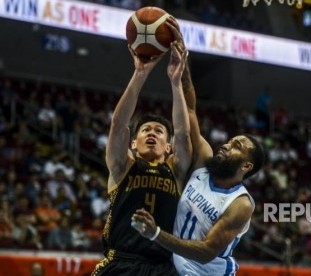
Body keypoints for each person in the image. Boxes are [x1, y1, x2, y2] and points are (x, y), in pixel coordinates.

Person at [131, 20, 266, 275]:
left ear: (246, 166)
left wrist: (157, 234)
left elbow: (205, 251)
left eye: (236, 146)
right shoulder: (204, 161)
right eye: (229, 141)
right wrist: (182, 66)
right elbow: (191, 109)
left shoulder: (240, 204)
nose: (226, 145)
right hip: (173, 267)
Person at [91, 25, 192, 275]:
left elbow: (183, 133)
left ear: (168, 146)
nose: (151, 133)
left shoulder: (175, 169)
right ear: (133, 143)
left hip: (163, 266)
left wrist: (176, 82)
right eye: (145, 130)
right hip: (121, 262)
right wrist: (140, 73)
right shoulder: (122, 166)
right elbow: (119, 125)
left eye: (159, 131)